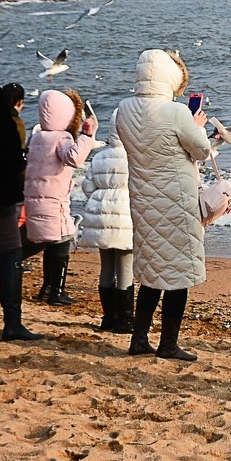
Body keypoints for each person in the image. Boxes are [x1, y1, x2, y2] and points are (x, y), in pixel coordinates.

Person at [116, 49, 212, 361]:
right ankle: (168, 344)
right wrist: (196, 124)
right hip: (176, 204)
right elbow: (201, 150)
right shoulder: (176, 112)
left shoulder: (123, 109)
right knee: (177, 275)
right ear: (169, 76)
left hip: (143, 201)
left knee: (151, 271)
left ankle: (139, 338)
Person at [23, 89, 97, 306]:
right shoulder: (62, 137)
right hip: (54, 199)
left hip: (36, 197)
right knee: (63, 240)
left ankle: (47, 288)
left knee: (51, 243)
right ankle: (57, 291)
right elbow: (74, 158)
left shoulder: (36, 136)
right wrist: (86, 136)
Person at [76, 108, 135, 334]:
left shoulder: (100, 156)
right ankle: (126, 319)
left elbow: (87, 186)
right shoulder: (134, 156)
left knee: (106, 267)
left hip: (101, 217)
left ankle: (108, 317)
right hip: (124, 218)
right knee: (126, 267)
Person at [0, 83, 42, 341]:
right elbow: (14, 165)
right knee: (11, 254)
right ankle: (12, 323)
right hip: (0, 201)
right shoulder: (8, 126)